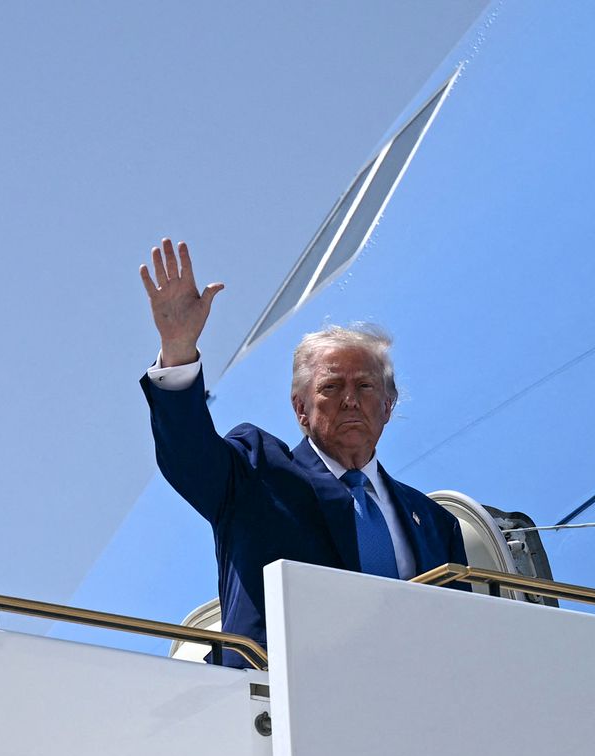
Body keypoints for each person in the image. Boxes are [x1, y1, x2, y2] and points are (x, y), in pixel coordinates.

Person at [138, 237, 467, 666]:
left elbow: (462, 637)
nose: (350, 400)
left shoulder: (436, 524)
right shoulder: (257, 473)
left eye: (365, 386)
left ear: (388, 406)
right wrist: (179, 349)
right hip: (279, 715)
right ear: (301, 409)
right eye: (331, 387)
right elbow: (188, 455)